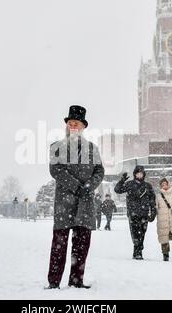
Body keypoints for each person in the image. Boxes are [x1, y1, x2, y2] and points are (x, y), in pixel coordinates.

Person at [46, 105, 104, 290]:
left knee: (81, 246)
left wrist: (89, 186)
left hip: (85, 204)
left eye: (76, 123)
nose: (73, 126)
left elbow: (99, 171)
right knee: (59, 246)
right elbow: (56, 170)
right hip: (64, 203)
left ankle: (76, 280)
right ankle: (54, 282)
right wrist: (76, 186)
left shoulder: (92, 148)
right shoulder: (56, 147)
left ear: (83, 126)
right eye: (70, 122)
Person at [114, 166, 156, 260]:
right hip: (133, 214)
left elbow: (152, 200)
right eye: (138, 173)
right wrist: (122, 181)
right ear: (135, 174)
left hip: (144, 214)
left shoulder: (148, 186)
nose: (139, 175)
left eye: (141, 173)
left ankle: (138, 249)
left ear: (143, 174)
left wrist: (153, 212)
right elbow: (117, 190)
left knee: (142, 233)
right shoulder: (129, 184)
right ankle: (138, 251)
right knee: (135, 233)